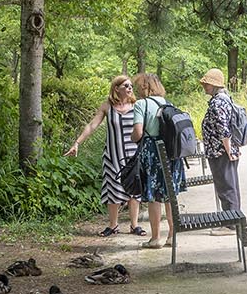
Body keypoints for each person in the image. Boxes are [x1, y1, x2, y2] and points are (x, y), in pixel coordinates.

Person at [66, 75, 145, 237]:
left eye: (130, 86)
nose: (130, 88)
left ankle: (135, 225)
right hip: (113, 155)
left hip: (133, 155)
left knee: (134, 190)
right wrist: (77, 143)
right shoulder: (107, 106)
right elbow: (92, 125)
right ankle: (113, 225)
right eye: (126, 86)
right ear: (116, 88)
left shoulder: (136, 105)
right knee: (113, 190)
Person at [131, 73, 186, 248]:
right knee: (170, 193)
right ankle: (171, 235)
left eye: (139, 86)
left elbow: (138, 133)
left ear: (145, 87)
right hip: (171, 153)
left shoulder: (141, 104)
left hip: (152, 153)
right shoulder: (168, 103)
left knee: (154, 195)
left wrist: (133, 138)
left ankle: (155, 238)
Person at [199, 67, 241, 233]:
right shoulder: (225, 99)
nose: (204, 86)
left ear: (214, 85)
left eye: (207, 84)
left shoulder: (218, 102)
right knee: (230, 185)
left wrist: (228, 149)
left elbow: (223, 128)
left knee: (226, 187)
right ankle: (233, 219)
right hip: (224, 150)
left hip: (220, 151)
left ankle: (230, 223)